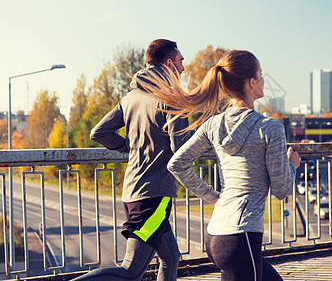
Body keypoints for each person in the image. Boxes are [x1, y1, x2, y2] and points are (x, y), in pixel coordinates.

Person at [138, 50, 300, 281]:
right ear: (252, 83)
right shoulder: (270, 128)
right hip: (241, 236)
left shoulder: (213, 124)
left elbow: (177, 164)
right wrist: (292, 165)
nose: (263, 80)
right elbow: (281, 190)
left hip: (216, 235)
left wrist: (214, 197)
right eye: (261, 75)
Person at [72, 39, 189, 281]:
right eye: (180, 62)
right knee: (131, 270)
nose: (183, 69)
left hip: (133, 192)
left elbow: (99, 132)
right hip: (154, 196)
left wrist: (131, 147)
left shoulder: (130, 98)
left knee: (171, 258)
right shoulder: (174, 98)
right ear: (169, 63)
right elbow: (182, 148)